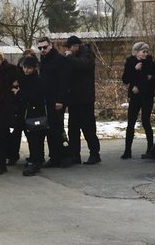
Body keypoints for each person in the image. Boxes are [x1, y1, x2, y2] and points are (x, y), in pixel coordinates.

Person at [64, 36, 100, 164]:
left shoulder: (87, 54)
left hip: (85, 98)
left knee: (88, 127)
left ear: (76, 46)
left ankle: (95, 153)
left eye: (70, 48)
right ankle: (75, 154)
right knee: (73, 128)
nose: (68, 50)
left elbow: (82, 65)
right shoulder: (72, 57)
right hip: (73, 98)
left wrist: (69, 57)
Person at [36, 37, 71, 167]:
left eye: (44, 47)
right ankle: (55, 156)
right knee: (50, 129)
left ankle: (63, 156)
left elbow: (64, 82)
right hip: (47, 99)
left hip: (56, 99)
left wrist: (60, 100)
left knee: (58, 129)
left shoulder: (59, 60)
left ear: (50, 45)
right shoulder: (44, 60)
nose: (42, 50)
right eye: (40, 48)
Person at [121, 42, 155, 159]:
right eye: (143, 51)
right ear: (136, 52)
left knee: (146, 121)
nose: (145, 54)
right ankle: (127, 150)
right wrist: (134, 69)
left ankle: (150, 148)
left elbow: (149, 79)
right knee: (131, 122)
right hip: (134, 97)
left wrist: (138, 86)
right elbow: (125, 79)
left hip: (146, 96)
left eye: (147, 51)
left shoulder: (150, 63)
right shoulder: (130, 62)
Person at [16, 56, 47, 176]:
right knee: (33, 138)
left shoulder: (36, 80)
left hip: (34, 113)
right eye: (25, 67)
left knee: (35, 139)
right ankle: (36, 159)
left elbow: (32, 96)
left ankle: (35, 161)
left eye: (29, 68)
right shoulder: (25, 78)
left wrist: (19, 93)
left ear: (34, 68)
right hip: (28, 113)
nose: (26, 70)